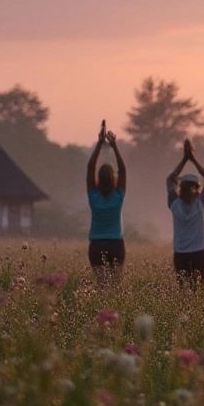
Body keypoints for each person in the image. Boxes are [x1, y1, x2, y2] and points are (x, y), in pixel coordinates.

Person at [167, 138, 204, 287]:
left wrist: (184, 159)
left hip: (180, 253)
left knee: (184, 292)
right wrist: (193, 159)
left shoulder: (174, 203)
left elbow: (170, 179)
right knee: (202, 290)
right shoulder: (201, 203)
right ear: (197, 187)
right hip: (199, 252)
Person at [85, 119, 127, 285]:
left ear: (98, 179)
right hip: (116, 243)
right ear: (114, 178)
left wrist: (99, 144)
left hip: (97, 244)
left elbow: (90, 168)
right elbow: (123, 170)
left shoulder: (93, 196)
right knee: (115, 287)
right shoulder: (118, 197)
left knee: (102, 287)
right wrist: (114, 146)